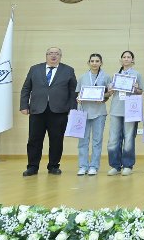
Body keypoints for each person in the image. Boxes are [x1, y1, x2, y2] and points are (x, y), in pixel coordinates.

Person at [20, 47, 77, 176]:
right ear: (46, 55)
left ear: (60, 56)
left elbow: (73, 91)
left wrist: (72, 109)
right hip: (37, 110)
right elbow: (26, 88)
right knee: (34, 140)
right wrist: (24, 105)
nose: (53, 56)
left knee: (56, 140)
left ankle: (53, 166)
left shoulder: (68, 70)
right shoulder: (35, 69)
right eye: (50, 53)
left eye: (56, 54)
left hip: (59, 111)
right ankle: (32, 167)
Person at [106, 50, 144, 176]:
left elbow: (140, 92)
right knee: (113, 139)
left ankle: (127, 165)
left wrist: (136, 88)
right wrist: (110, 89)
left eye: (129, 57)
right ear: (121, 60)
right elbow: (111, 92)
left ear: (132, 60)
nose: (126, 59)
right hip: (116, 109)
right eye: (124, 57)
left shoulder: (137, 74)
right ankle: (115, 165)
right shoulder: (116, 75)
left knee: (128, 138)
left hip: (131, 110)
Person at [75, 53, 112, 176]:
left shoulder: (106, 77)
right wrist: (78, 99)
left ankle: (94, 166)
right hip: (84, 112)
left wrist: (103, 97)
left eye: (97, 61)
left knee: (97, 141)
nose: (94, 63)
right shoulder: (82, 77)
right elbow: (78, 94)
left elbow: (109, 93)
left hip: (99, 113)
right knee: (83, 141)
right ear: (88, 63)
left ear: (101, 63)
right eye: (92, 61)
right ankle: (83, 166)